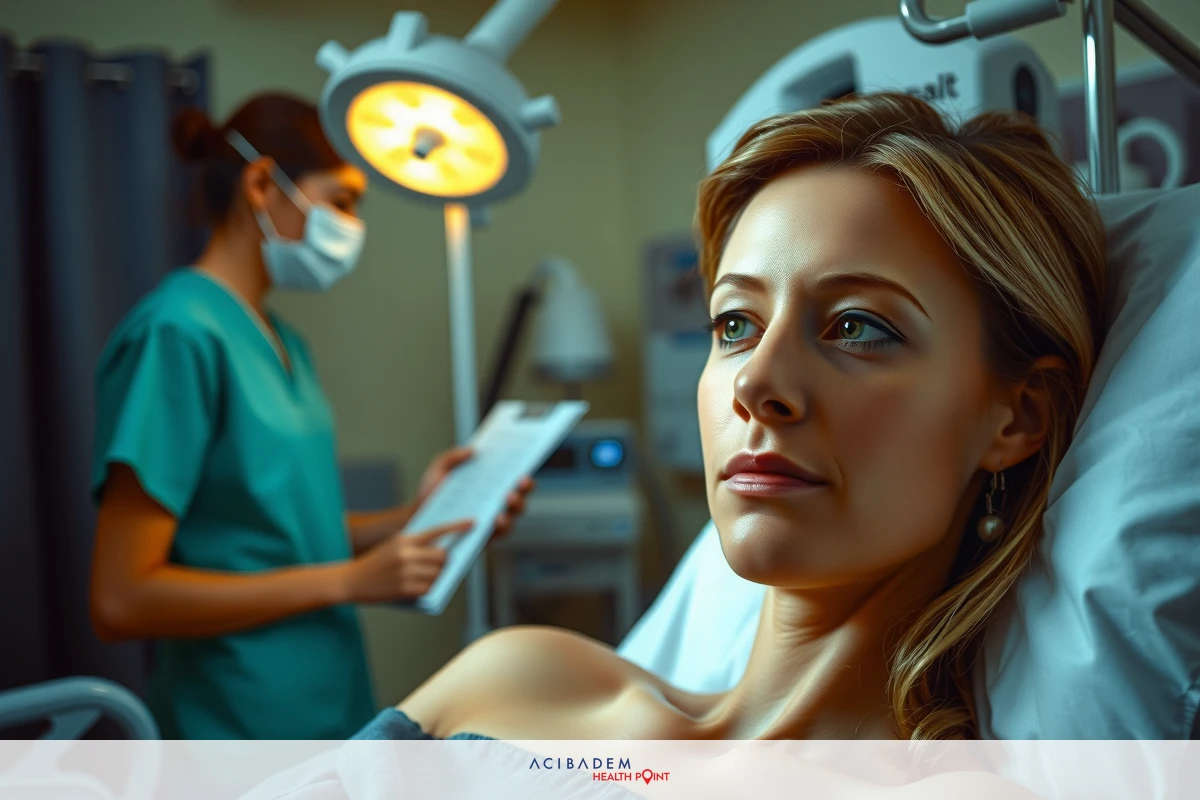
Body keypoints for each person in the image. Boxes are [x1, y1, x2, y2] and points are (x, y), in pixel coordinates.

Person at [357, 92, 1108, 741]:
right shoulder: (517, 679)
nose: (756, 381)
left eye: (856, 327)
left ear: (1016, 417)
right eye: (735, 326)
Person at [89, 92, 533, 740]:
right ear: (263, 183)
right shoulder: (176, 334)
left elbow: (281, 528)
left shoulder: (281, 340)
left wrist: (423, 516)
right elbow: (123, 597)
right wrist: (349, 581)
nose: (353, 227)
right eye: (342, 201)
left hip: (327, 707)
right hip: (232, 729)